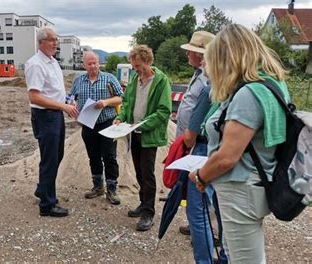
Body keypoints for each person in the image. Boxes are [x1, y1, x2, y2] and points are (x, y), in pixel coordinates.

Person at [189, 24, 290, 263]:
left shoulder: (248, 94)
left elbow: (227, 157)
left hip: (240, 190)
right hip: (253, 185)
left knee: (244, 259)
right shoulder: (271, 85)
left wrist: (201, 176)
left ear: (227, 57)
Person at [176, 31, 227, 264]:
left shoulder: (209, 86)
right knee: (217, 205)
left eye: (195, 52)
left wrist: (187, 143)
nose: (189, 54)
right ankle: (224, 255)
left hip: (199, 148)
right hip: (211, 149)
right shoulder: (218, 81)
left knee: (198, 210)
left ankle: (206, 258)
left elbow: (192, 130)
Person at [114, 45, 172, 231]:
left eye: (138, 65)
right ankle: (142, 203)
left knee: (147, 174)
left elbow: (164, 111)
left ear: (148, 61)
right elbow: (127, 102)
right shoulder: (134, 79)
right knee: (139, 171)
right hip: (134, 133)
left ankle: (149, 212)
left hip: (149, 135)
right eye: (134, 66)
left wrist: (142, 124)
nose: (136, 69)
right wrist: (120, 117)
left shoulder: (161, 81)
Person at [24, 26, 78, 217]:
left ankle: (42, 188)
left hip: (55, 114)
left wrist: (66, 102)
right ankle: (47, 205)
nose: (56, 43)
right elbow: (35, 97)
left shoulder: (52, 61)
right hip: (45, 116)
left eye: (57, 39)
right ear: (41, 43)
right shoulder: (36, 64)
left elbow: (53, 91)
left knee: (57, 155)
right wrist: (63, 106)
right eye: (52, 40)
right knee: (49, 159)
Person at [69, 51, 124, 204]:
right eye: (89, 64)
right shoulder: (78, 81)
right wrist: (71, 105)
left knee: (109, 156)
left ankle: (112, 189)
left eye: (95, 63)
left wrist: (106, 102)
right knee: (93, 156)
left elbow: (120, 98)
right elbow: (70, 97)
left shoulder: (109, 78)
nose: (93, 66)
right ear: (84, 65)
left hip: (107, 122)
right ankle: (98, 186)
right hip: (87, 124)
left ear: (99, 63)